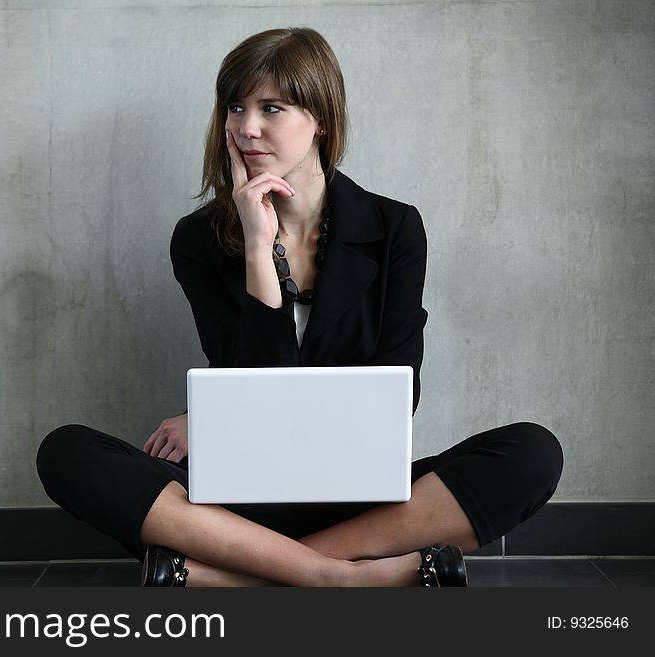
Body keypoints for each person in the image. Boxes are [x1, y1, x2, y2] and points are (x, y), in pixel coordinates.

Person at [36, 27, 563, 587]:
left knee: (531, 453)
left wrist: (209, 421)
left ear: (322, 118)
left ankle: (237, 576)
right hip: (240, 498)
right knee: (66, 453)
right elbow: (249, 386)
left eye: (272, 107)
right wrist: (259, 248)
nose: (245, 127)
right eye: (235, 108)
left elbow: (397, 391)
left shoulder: (394, 228)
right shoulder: (199, 239)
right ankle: (343, 577)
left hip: (360, 496)